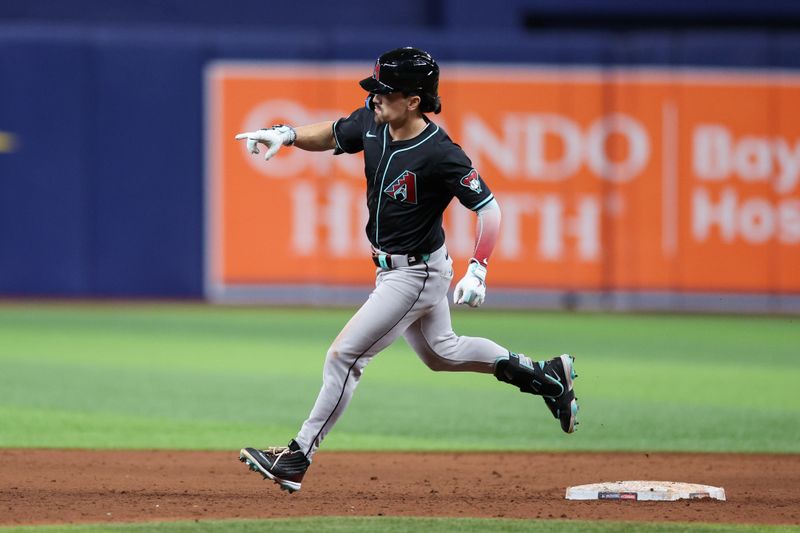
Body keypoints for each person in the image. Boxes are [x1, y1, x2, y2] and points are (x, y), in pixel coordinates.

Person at [234, 47, 579, 494]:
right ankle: (548, 376)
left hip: (414, 275)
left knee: (344, 357)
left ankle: (297, 456)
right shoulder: (374, 123)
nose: (375, 97)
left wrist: (479, 267)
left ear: (414, 100)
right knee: (442, 353)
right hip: (398, 269)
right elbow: (335, 133)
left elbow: (489, 209)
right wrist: (288, 134)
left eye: (385, 90)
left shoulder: (439, 152)